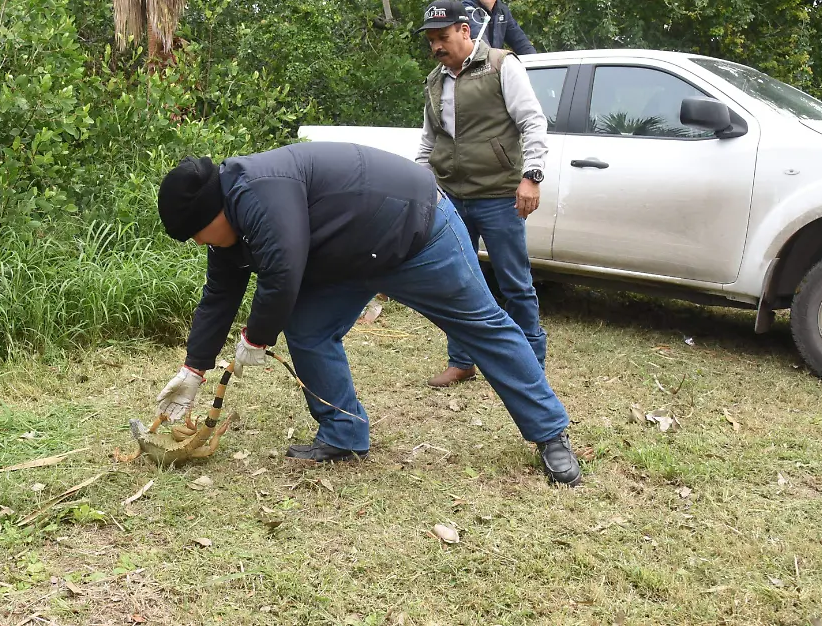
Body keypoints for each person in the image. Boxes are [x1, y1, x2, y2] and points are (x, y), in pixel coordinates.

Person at [152, 142, 581, 485]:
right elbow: (219, 295)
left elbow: (282, 270)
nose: (196, 243)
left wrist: (257, 337)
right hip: (348, 256)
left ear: (213, 211)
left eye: (195, 233)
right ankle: (344, 434)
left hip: (417, 232)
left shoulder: (259, 191)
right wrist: (194, 369)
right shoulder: (228, 224)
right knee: (308, 329)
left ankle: (549, 434)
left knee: (482, 327)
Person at [414, 0, 549, 389]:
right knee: (457, 281)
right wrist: (423, 187)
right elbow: (428, 142)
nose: (437, 46)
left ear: (464, 31)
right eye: (431, 41)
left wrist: (532, 176)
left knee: (514, 284)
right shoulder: (435, 80)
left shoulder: (501, 65)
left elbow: (532, 121)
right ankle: (462, 360)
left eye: (443, 37)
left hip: (499, 196)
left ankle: (531, 364)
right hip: (451, 197)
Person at [462, 0, 536, 55]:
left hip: (491, 63)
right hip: (469, 66)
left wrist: (535, 62)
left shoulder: (502, 11)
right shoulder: (467, 8)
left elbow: (520, 41)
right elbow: (479, 41)